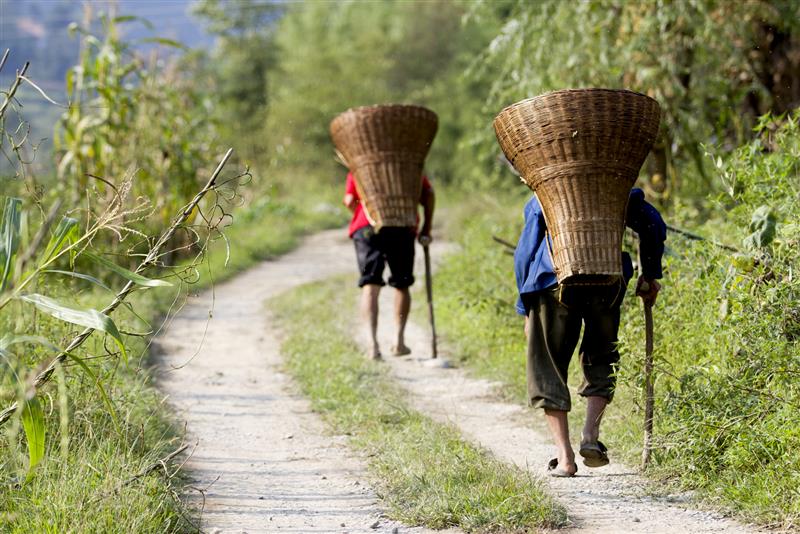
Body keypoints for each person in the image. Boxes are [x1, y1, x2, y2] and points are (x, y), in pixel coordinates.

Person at [514, 188, 665, 477]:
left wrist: (524, 305)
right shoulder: (617, 188)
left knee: (548, 365)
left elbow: (526, 252)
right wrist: (650, 273)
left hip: (554, 281)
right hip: (606, 281)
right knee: (602, 354)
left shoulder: (545, 190)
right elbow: (653, 224)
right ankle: (590, 436)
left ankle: (565, 457)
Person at [343, 171, 435, 360]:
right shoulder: (408, 164)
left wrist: (367, 214)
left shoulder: (361, 164)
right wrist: (426, 228)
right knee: (402, 284)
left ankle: (372, 344)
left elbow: (350, 199)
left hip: (367, 225)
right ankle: (398, 341)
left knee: (370, 283)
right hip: (401, 224)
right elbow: (428, 194)